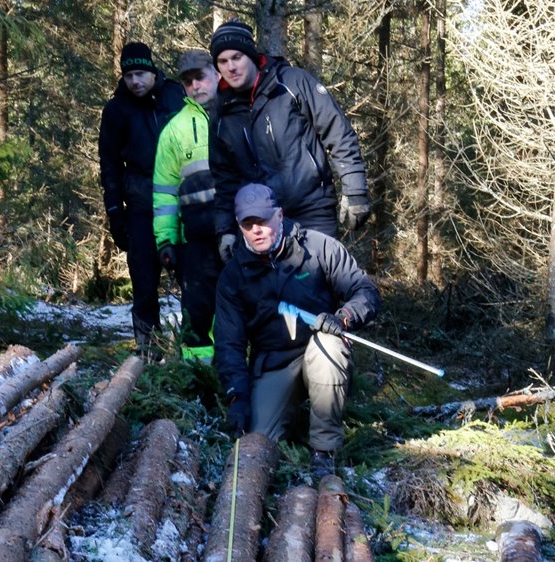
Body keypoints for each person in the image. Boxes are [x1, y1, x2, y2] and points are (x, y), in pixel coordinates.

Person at [214, 183, 380, 477]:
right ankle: (287, 416)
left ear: (279, 215)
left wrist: (344, 317)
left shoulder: (317, 247)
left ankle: (323, 452)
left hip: (320, 347)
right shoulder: (233, 276)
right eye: (248, 224)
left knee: (329, 348)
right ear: (239, 227)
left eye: (263, 220)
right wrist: (236, 396)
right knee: (259, 439)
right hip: (275, 361)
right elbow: (230, 344)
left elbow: (365, 291)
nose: (257, 229)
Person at [209, 19, 371, 263]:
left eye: (237, 57)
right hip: (260, 222)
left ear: (251, 56)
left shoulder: (292, 83)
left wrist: (355, 191)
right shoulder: (222, 114)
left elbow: (338, 133)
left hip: (312, 208)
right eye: (222, 61)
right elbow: (224, 179)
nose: (231, 67)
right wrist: (226, 231)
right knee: (272, 299)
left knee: (319, 289)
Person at [99, 41, 185, 352]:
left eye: (140, 73)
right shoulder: (116, 110)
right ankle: (150, 352)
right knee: (145, 285)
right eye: (128, 75)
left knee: (192, 281)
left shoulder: (176, 94)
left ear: (152, 70)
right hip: (140, 206)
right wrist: (114, 212)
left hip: (182, 204)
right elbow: (108, 164)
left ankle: (195, 353)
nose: (134, 81)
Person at [153, 49, 223, 363]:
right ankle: (198, 376)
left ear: (217, 73)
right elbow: (165, 192)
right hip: (197, 238)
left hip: (243, 231)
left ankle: (241, 376)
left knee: (242, 306)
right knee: (198, 310)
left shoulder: (240, 112)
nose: (195, 86)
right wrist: (166, 240)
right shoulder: (175, 130)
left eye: (200, 77)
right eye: (188, 81)